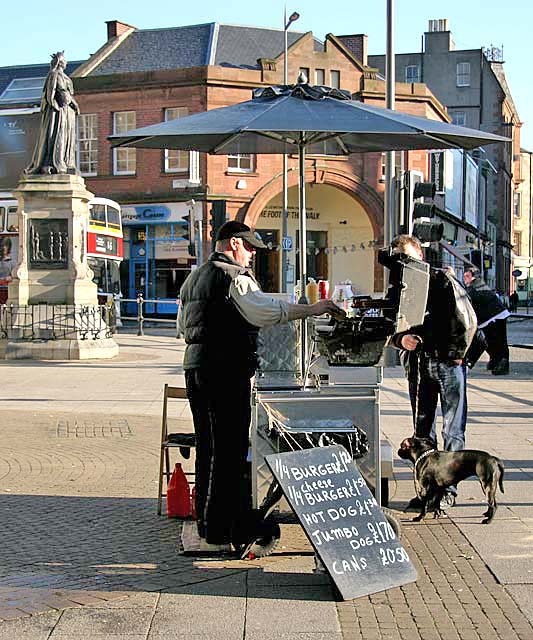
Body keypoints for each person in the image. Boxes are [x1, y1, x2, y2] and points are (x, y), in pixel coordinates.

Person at [177, 220, 343, 552]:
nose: (253, 253)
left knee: (209, 446)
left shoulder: (195, 277)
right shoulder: (234, 277)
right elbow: (264, 312)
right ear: (234, 243)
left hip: (196, 367)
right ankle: (224, 529)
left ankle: (209, 524)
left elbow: (183, 325)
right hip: (224, 370)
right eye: (250, 247)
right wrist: (312, 309)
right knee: (230, 450)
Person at [391, 235, 476, 510]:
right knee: (422, 430)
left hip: (448, 364)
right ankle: (429, 490)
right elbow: (391, 322)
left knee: (453, 431)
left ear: (421, 258)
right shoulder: (400, 286)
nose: (405, 264)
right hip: (420, 364)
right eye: (400, 259)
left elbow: (468, 319)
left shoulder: (441, 280)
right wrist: (400, 340)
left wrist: (459, 355)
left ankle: (447, 490)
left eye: (409, 258)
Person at [25, 51, 79, 175]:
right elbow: (55, 91)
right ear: (60, 62)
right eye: (64, 60)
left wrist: (73, 105)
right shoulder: (54, 74)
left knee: (65, 137)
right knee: (56, 136)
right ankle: (54, 162)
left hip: (66, 112)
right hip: (58, 112)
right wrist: (61, 105)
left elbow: (67, 94)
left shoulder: (66, 77)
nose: (66, 62)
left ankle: (66, 161)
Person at [463, 268, 510, 375]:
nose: (465, 278)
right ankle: (496, 361)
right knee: (491, 341)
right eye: (465, 275)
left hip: (494, 316)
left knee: (497, 341)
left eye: (467, 276)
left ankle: (502, 364)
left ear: (473, 276)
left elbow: (474, 298)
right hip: (492, 316)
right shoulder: (475, 285)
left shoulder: (475, 285)